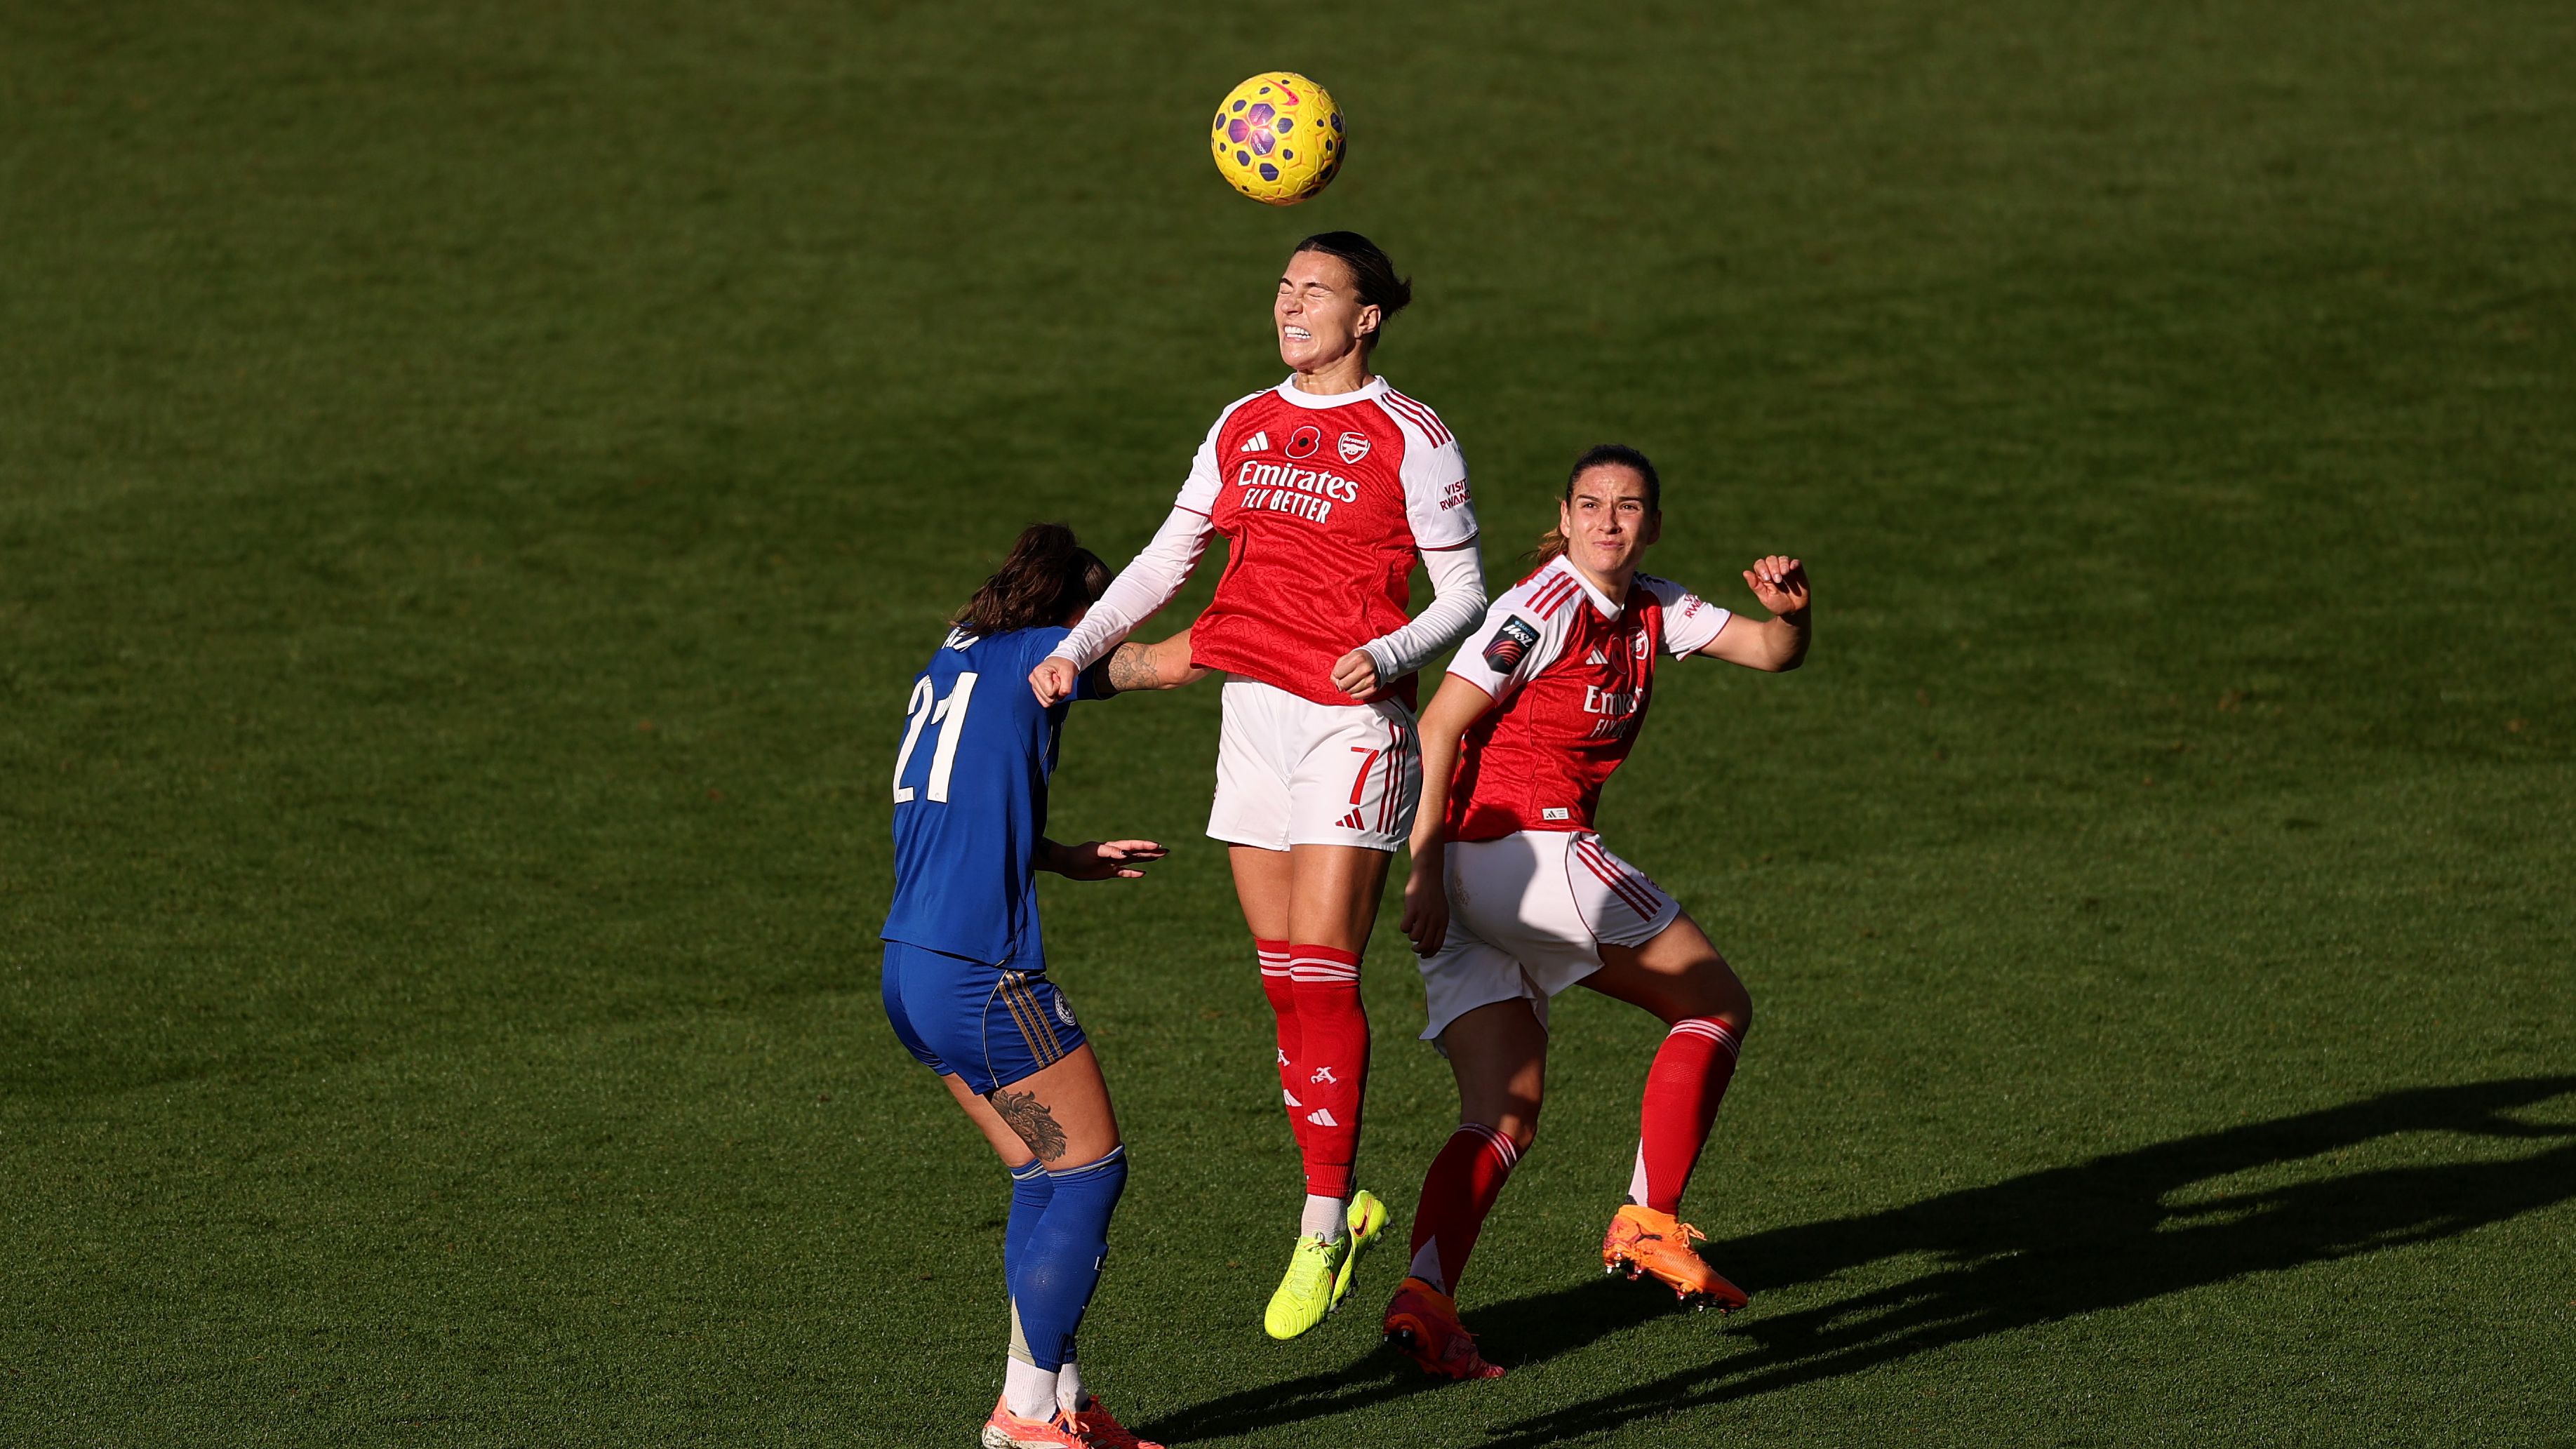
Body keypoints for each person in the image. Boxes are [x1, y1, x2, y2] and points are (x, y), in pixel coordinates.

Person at [1027, 232, 1490, 1340]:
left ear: (1367, 316)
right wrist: (1079, 647)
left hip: (1352, 723)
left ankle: (1323, 1221)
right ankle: (1344, 1198)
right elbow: (1165, 558)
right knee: (1283, 979)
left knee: (1327, 965)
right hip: (1253, 719)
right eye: (1283, 286)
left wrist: (1387, 657)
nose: (1290, 304)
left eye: (1315, 290)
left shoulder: (1411, 436)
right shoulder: (1242, 420)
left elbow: (1467, 590)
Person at [1376, 445, 1815, 1380]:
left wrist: (1793, 614)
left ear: (1650, 524)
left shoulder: (1656, 605)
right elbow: (1440, 724)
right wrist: (1417, 872)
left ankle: (1425, 1298)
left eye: (1629, 507)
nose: (1610, 521)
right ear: (1564, 517)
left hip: (1475, 881)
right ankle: (1647, 1217)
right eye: (1592, 505)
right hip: (1521, 853)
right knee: (1715, 1003)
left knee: (1503, 1110)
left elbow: (1772, 652)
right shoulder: (1540, 607)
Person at [883, 523, 1197, 1449]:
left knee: (1038, 1176)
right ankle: (1024, 1414)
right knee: (1094, 1172)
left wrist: (1061, 856)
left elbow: (964, 805)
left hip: (911, 967)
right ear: (1071, 610)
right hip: (984, 972)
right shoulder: (1042, 657)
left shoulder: (956, 655)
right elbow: (1173, 664)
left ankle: (1057, 1399)